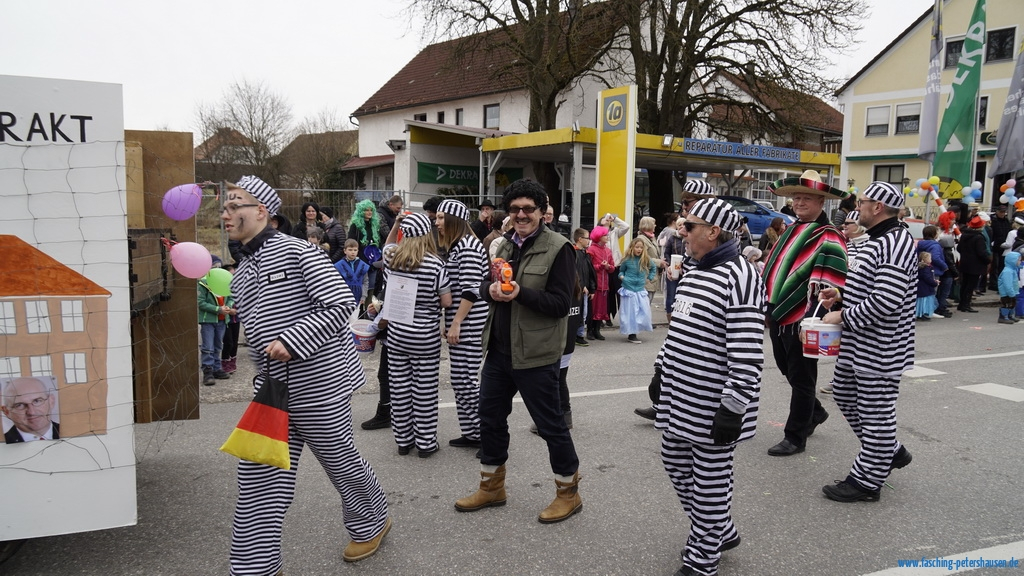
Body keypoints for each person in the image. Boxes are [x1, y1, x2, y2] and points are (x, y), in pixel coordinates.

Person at [223, 175, 390, 572]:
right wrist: (264, 378)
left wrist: (293, 339)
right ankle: (256, 566)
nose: (226, 214)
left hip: (321, 385)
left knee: (339, 460)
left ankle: (373, 521)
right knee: (258, 477)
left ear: (261, 211)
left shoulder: (299, 251)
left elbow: (339, 304)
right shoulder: (241, 272)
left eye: (234, 205)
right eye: (224, 207)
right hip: (274, 391)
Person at [454, 178, 581, 524]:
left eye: (528, 209)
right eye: (515, 209)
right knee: (490, 419)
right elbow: (485, 284)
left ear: (541, 211)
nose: (521, 215)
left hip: (536, 354)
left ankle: (568, 493)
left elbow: (560, 304)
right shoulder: (504, 245)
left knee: (551, 425)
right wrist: (490, 290)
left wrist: (520, 293)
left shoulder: (559, 248)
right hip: (499, 351)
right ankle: (492, 487)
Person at [655, 198, 765, 576]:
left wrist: (732, 407)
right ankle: (721, 529)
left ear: (713, 232)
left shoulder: (741, 276)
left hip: (713, 402)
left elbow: (747, 353)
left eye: (690, 225)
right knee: (673, 459)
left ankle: (703, 557)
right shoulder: (695, 270)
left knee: (710, 481)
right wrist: (660, 369)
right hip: (680, 394)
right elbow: (679, 330)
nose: (682, 231)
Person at [817, 181, 916, 503]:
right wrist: (840, 294)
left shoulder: (896, 242)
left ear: (877, 207)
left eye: (862, 202)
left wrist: (842, 315)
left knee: (876, 415)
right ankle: (890, 450)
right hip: (858, 342)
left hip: (880, 346)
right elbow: (872, 286)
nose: (856, 207)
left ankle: (867, 481)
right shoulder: (876, 239)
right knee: (845, 395)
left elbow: (887, 299)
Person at [761, 170, 849, 457]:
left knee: (801, 377)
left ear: (821, 201)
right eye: (796, 198)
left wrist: (810, 318)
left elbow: (832, 281)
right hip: (779, 311)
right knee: (787, 368)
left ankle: (795, 436)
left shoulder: (829, 235)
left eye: (806, 198)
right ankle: (816, 412)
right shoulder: (792, 228)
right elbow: (778, 268)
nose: (799, 202)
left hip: (804, 317)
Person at [381, 211, 452, 457]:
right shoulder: (435, 264)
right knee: (425, 391)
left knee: (399, 389)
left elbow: (388, 244)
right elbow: (446, 301)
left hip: (397, 335)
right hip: (425, 337)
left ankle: (403, 441)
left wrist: (396, 225)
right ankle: (425, 443)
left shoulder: (392, 258)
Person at [435, 199, 489, 450]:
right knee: (460, 379)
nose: (437, 223)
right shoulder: (459, 245)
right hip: (462, 322)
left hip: (469, 324)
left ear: (454, 219)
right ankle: (472, 432)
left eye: (441, 217)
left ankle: (487, 435)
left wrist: (456, 322)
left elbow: (471, 290)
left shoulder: (467, 247)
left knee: (466, 380)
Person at [198, 267, 233, 386]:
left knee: (218, 345)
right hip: (208, 320)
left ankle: (216, 368)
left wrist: (228, 306)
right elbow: (200, 302)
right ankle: (207, 371)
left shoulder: (224, 283)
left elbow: (231, 297)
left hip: (222, 320)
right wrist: (218, 309)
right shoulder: (203, 284)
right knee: (208, 346)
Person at [617, 237, 656, 344]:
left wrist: (650, 278)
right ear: (632, 247)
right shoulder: (627, 260)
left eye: (641, 247)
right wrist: (622, 277)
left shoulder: (646, 259)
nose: (639, 249)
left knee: (643, 311)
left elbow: (653, 268)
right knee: (630, 313)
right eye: (637, 247)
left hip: (640, 289)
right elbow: (621, 271)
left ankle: (637, 329)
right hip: (628, 289)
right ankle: (632, 334)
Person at [349, 199, 387, 306]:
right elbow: (351, 243)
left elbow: (379, 242)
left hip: (373, 262)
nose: (369, 212)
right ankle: (358, 309)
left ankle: (367, 311)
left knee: (371, 287)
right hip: (360, 261)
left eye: (371, 210)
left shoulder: (375, 225)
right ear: (361, 211)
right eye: (366, 210)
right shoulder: (355, 226)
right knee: (360, 287)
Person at [2, 377, 59, 443]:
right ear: (6, 412)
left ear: (51, 401)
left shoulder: (67, 431)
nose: (32, 412)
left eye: (37, 401)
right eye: (20, 405)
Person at [599, 212, 630, 326]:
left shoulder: (615, 232)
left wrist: (615, 219)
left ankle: (623, 317)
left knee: (620, 292)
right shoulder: (598, 235)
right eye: (605, 220)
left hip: (616, 266)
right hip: (605, 268)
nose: (607, 221)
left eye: (608, 220)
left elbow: (626, 227)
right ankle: (606, 316)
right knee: (607, 294)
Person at [956, 216, 989, 314]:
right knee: (971, 285)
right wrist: (987, 260)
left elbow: (959, 249)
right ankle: (966, 304)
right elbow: (981, 253)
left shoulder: (964, 235)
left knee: (964, 284)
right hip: (976, 265)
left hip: (965, 263)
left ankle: (962, 304)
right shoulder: (979, 237)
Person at [586, 225, 615, 341]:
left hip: (604, 285)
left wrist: (608, 267)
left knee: (601, 309)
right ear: (599, 236)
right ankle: (590, 330)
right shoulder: (591, 249)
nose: (607, 237)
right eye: (605, 235)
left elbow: (612, 268)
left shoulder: (608, 251)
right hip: (595, 284)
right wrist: (600, 266)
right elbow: (588, 267)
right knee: (593, 308)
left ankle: (597, 330)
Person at [916, 225, 949, 319]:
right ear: (934, 234)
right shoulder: (935, 245)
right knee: (931, 293)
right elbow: (935, 257)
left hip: (921, 270)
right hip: (933, 271)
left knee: (922, 293)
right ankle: (930, 310)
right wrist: (944, 266)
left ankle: (922, 310)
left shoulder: (920, 244)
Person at [571, 227, 596, 347]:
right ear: (580, 239)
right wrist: (581, 285)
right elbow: (575, 272)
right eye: (587, 238)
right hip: (577, 290)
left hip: (585, 290)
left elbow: (590, 272)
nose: (589, 241)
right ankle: (576, 335)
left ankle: (579, 334)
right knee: (577, 312)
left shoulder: (586, 254)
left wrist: (592, 288)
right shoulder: (574, 254)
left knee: (584, 313)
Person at [661, 216, 688, 325]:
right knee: (671, 295)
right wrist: (670, 264)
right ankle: (670, 318)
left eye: (683, 224)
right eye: (679, 225)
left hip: (686, 271)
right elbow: (666, 253)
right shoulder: (672, 238)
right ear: (676, 227)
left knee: (683, 295)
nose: (681, 226)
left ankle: (681, 319)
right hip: (673, 270)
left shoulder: (688, 238)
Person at [636, 216, 665, 303]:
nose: (655, 226)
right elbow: (641, 257)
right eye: (653, 224)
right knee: (644, 305)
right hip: (645, 278)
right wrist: (659, 262)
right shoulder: (641, 239)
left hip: (652, 278)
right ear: (648, 225)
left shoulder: (651, 238)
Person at [221, 261, 241, 374]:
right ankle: (225, 362)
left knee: (235, 341)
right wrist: (229, 310)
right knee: (228, 342)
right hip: (226, 319)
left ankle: (232, 361)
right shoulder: (222, 288)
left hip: (236, 319)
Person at [335, 239, 371, 303]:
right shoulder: (339, 265)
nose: (353, 252)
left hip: (359, 295)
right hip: (344, 295)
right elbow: (337, 282)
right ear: (345, 251)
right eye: (350, 250)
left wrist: (364, 295)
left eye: (355, 250)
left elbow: (365, 282)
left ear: (358, 251)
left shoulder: (363, 265)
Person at [997, 251, 1021, 324]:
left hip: (1012, 292)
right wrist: (1011, 292)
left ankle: (1010, 316)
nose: (1020, 262)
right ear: (1013, 261)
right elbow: (1007, 284)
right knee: (1006, 305)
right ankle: (1003, 317)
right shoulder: (1007, 271)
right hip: (1006, 293)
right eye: (1018, 260)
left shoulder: (1013, 269)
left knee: (1012, 304)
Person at [915, 251, 938, 321]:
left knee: (921, 302)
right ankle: (924, 314)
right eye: (929, 258)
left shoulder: (922, 268)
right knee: (925, 302)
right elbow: (927, 278)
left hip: (922, 288)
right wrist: (934, 283)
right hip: (926, 288)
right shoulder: (926, 268)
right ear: (925, 259)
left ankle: (920, 314)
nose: (931, 259)